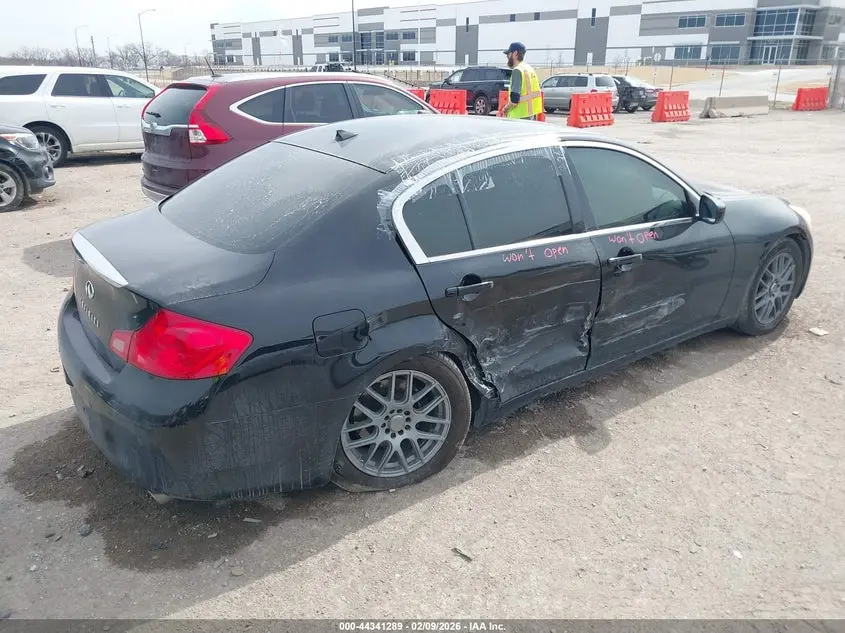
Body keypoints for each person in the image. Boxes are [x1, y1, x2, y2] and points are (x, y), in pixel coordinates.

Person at [501, 42, 543, 120]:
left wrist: (505, 109)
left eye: (508, 54)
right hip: (531, 115)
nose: (507, 57)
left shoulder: (517, 71)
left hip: (519, 117)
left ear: (515, 53)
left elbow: (514, 100)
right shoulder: (529, 69)